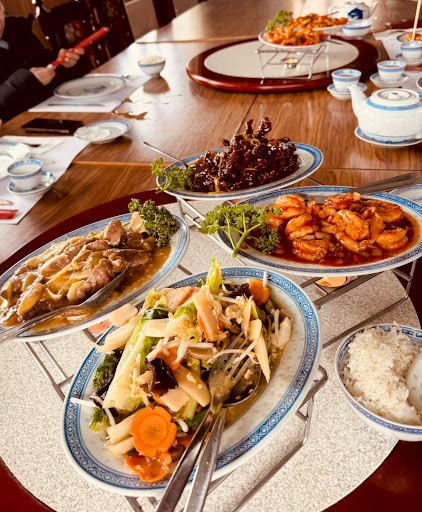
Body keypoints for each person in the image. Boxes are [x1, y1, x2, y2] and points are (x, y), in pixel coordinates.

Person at [0, 1, 84, 123]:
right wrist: (25, 81)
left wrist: (60, 63)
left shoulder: (16, 29)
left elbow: (43, 65)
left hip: (50, 115)